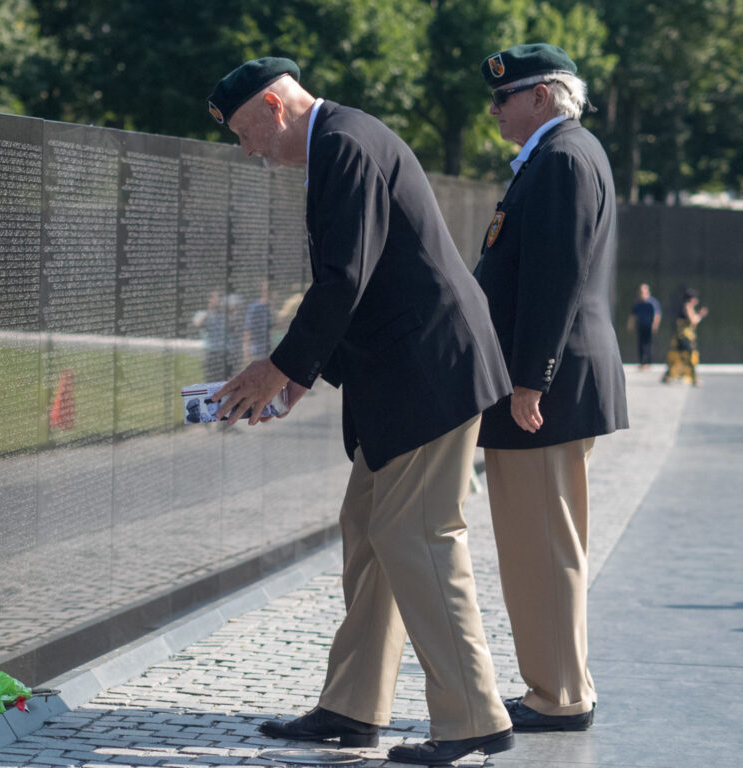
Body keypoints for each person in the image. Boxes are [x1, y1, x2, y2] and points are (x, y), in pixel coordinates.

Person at [206, 57, 515, 765]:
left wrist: (280, 368)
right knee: (371, 530)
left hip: (430, 374)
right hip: (406, 375)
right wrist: (301, 379)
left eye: (244, 133)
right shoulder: (341, 140)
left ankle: (474, 717)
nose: (247, 151)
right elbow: (362, 278)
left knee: (417, 534)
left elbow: (344, 280)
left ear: (274, 108)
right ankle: (353, 705)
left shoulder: (344, 144)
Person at [474, 44, 629, 733]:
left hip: (546, 390)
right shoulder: (563, 153)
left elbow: (554, 279)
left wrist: (528, 381)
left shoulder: (561, 158)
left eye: (503, 97)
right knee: (545, 544)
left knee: (540, 548)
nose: (495, 110)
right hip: (551, 383)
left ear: (541, 96)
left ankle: (559, 696)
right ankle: (563, 685)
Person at [662, 288, 708, 385]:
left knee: (676, 356)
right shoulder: (687, 306)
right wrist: (700, 315)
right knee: (690, 356)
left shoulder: (686, 307)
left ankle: (668, 376)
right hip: (684, 337)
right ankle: (694, 379)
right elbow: (693, 321)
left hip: (682, 337)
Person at [627, 283, 662, 369]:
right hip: (641, 325)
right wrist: (630, 325)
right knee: (641, 344)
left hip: (649, 326)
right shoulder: (638, 303)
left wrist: (655, 325)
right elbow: (633, 315)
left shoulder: (652, 302)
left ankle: (648, 362)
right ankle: (642, 362)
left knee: (648, 344)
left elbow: (657, 315)